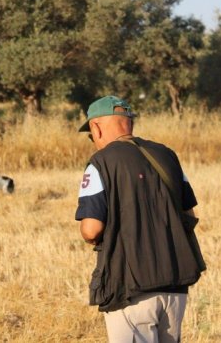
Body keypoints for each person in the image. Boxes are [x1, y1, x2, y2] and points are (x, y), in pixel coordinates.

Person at [76, 95, 205, 343]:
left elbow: (91, 229)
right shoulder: (168, 156)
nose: (93, 141)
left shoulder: (100, 163)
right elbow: (188, 214)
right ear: (128, 123)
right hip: (175, 285)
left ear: (96, 127)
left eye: (91, 136)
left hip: (130, 286)